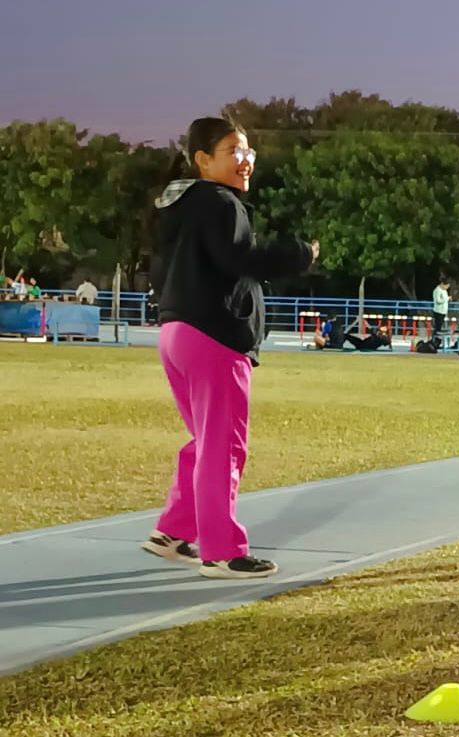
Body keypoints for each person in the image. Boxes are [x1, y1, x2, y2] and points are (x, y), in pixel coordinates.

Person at [143, 117, 318, 579]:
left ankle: (174, 530)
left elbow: (165, 270)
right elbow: (241, 259)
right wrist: (298, 254)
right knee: (223, 446)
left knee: (206, 441)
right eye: (233, 152)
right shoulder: (222, 203)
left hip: (176, 331)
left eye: (249, 152)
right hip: (212, 336)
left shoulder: (177, 207)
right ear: (203, 160)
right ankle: (221, 551)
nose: (246, 161)